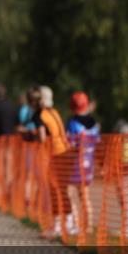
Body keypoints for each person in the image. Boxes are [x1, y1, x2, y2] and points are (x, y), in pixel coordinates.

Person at [33, 85, 71, 239]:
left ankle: (56, 226)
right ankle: (68, 224)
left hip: (53, 155)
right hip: (64, 151)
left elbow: (42, 137)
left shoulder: (40, 115)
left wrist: (31, 136)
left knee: (54, 190)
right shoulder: (54, 112)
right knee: (63, 189)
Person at [66, 91, 100, 236]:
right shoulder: (94, 124)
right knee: (85, 196)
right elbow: (97, 142)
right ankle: (89, 226)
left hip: (75, 164)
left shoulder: (72, 124)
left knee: (69, 193)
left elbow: (69, 143)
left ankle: (75, 224)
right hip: (89, 163)